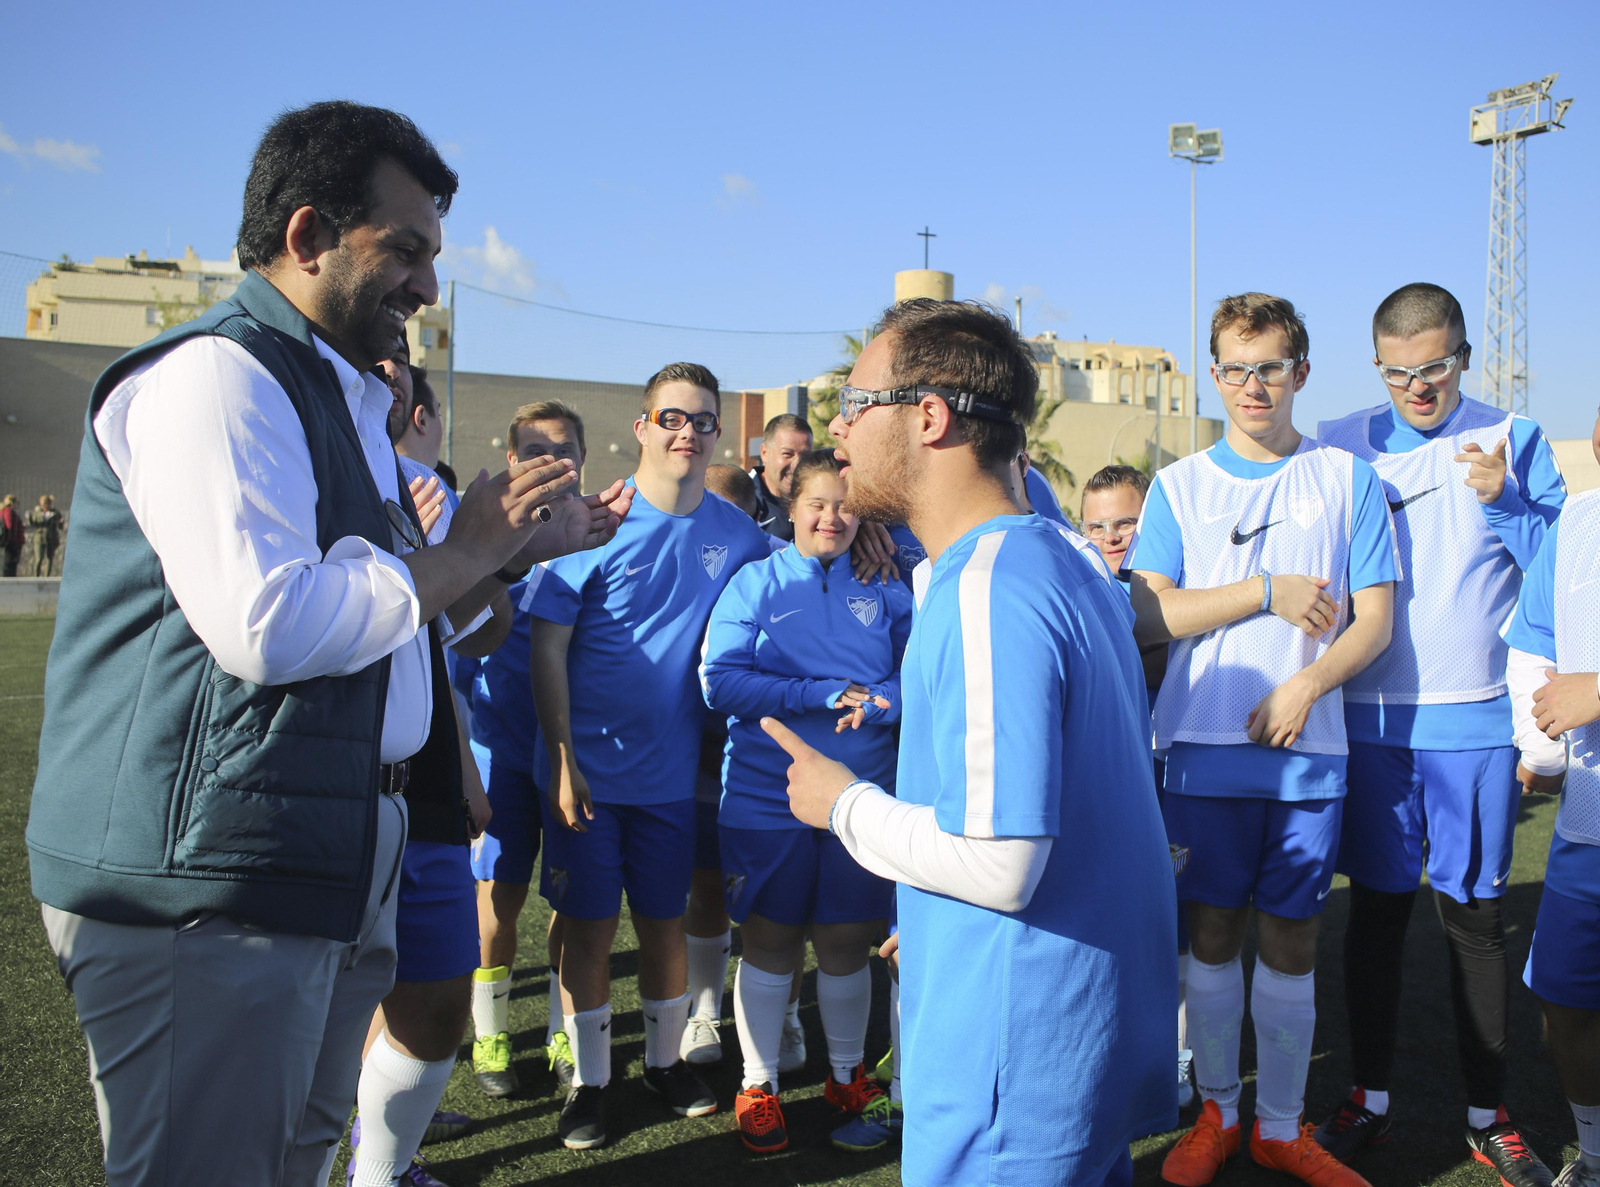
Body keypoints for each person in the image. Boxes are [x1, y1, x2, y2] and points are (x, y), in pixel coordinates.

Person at [25, 100, 629, 1187]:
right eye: (404, 250)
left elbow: (400, 618)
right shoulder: (219, 373)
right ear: (306, 236)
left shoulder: (331, 391)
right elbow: (271, 622)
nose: (428, 287)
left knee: (296, 1157)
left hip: (316, 856)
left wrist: (495, 557)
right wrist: (467, 549)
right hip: (204, 888)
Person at [769, 298, 1176, 1187]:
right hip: (1073, 1035)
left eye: (855, 398)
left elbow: (1000, 864)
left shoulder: (989, 583)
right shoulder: (1064, 558)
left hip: (1019, 1062)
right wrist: (930, 907)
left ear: (928, 415)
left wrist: (843, 805)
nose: (835, 425)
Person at [1128, 293, 1397, 1187]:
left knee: (1291, 939)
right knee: (1210, 935)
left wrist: (1310, 680)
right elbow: (1146, 612)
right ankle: (1217, 1114)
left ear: (1302, 373)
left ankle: (1280, 1125)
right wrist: (1263, 590)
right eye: (1237, 368)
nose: (1253, 384)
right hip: (1199, 751)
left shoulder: (1347, 479)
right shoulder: (1179, 486)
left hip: (1307, 752)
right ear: (1215, 374)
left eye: (1271, 367)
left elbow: (1375, 622)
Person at [1313, 283, 1565, 1183]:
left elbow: (1564, 573)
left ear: (1463, 354)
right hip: (1368, 731)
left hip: (1474, 726)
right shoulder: (1339, 443)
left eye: (1436, 367)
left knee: (1476, 919)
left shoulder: (1516, 436)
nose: (1418, 388)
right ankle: (1369, 1097)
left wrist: (1506, 501)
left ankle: (1487, 1112)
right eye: (1399, 373)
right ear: (1377, 366)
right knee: (1375, 917)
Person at [529, 362, 769, 1149]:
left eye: (702, 420)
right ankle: (589, 1083)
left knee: (665, 925)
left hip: (673, 778)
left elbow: (802, 556)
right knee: (591, 928)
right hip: (587, 776)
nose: (687, 433)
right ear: (641, 426)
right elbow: (548, 646)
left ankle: (665, 1064)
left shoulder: (736, 534)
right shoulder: (592, 519)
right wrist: (563, 755)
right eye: (671, 417)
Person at [702, 449, 913, 1155]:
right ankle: (757, 1083)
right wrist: (815, 692)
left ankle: (847, 1075)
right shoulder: (754, 582)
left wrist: (881, 701)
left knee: (848, 942)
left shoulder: (890, 584)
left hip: (863, 797)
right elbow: (719, 682)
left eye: (847, 503)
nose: (832, 516)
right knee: (770, 938)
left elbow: (925, 677)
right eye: (818, 502)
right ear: (788, 506)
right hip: (768, 797)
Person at [469, 402, 588, 1098]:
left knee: (573, 905)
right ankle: (490, 1034)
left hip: (573, 754)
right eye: (535, 449)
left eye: (563, 448)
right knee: (499, 901)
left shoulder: (599, 533)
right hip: (502, 754)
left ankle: (560, 1033)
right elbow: (447, 658)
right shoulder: (482, 537)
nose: (550, 460)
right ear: (512, 461)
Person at [1505, 402, 1600, 1187]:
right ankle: (1595, 1156)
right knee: (1562, 1001)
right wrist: (1539, 742)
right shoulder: (1574, 525)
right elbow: (1533, 641)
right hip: (1586, 824)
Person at [749, 413, 812, 541]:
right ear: (764, 453)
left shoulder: (821, 498)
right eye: (788, 454)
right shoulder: (741, 499)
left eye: (805, 456)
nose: (797, 465)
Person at [27, 494, 63, 576]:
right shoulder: (37, 513)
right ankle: (36, 576)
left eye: (46, 504)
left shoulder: (55, 513)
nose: (44, 506)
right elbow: (33, 524)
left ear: (50, 504)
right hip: (39, 538)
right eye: (42, 504)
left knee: (49, 558)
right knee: (39, 558)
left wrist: (61, 523)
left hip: (51, 537)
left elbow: (60, 526)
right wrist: (29, 518)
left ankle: (47, 576)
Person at [1, 494, 23, 575]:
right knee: (10, 562)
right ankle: (9, 578)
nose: (18, 504)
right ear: (12, 503)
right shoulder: (8, 511)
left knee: (11, 561)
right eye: (17, 502)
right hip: (13, 541)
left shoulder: (8, 511)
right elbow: (9, 525)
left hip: (13, 540)